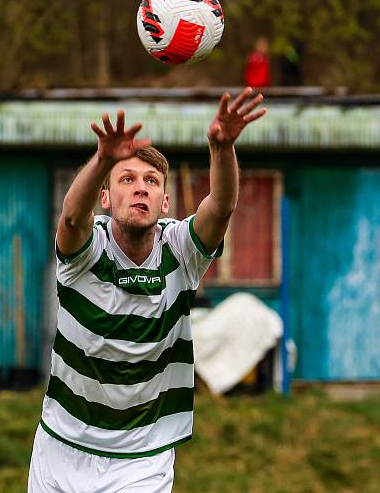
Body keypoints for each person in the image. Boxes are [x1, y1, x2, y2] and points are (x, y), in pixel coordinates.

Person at [28, 88, 266, 492]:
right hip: (61, 447)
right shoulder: (87, 252)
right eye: (127, 179)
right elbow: (71, 218)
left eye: (151, 181)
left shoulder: (181, 250)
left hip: (143, 457)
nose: (141, 188)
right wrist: (104, 158)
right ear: (105, 198)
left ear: (165, 202)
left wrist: (221, 147)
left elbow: (221, 206)